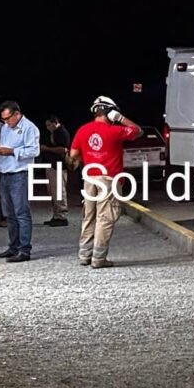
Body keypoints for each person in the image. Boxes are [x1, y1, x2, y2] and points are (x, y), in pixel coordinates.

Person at [69, 96, 142, 269]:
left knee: (89, 216)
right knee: (105, 217)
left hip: (89, 178)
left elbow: (73, 155)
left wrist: (89, 158)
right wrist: (120, 118)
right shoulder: (115, 131)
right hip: (109, 179)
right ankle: (99, 258)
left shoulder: (83, 130)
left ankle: (85, 255)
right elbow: (138, 131)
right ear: (111, 112)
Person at [0, 101, 40, 263]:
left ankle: (24, 249)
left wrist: (12, 151)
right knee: (9, 213)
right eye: (3, 119)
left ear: (17, 114)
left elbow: (34, 150)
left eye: (8, 118)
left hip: (20, 173)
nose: (6, 122)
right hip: (4, 172)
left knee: (21, 212)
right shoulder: (5, 128)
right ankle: (13, 246)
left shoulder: (29, 127)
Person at [40, 114, 70, 227]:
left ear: (55, 123)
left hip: (58, 166)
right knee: (53, 192)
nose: (48, 127)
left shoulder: (62, 133)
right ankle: (57, 215)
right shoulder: (54, 133)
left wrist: (47, 149)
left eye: (49, 125)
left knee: (59, 191)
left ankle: (61, 216)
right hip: (52, 165)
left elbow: (63, 149)